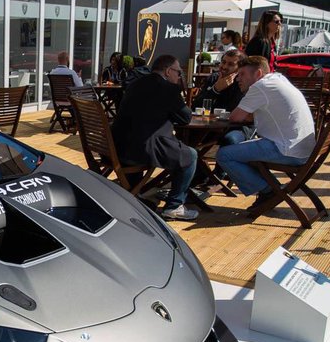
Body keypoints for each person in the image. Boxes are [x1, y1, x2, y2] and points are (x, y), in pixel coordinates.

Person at [217, 55, 317, 207]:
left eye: (242, 74)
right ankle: (272, 189)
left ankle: (268, 190)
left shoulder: (260, 86)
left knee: (224, 155)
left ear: (258, 73)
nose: (238, 78)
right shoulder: (278, 80)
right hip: (303, 149)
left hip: (287, 150)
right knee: (244, 148)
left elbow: (236, 117)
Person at [111, 54, 199, 220]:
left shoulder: (135, 84)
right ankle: (174, 206)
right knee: (191, 155)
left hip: (116, 148)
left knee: (142, 138)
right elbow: (185, 118)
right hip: (142, 150)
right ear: (167, 71)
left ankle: (133, 194)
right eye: (178, 73)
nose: (179, 76)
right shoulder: (168, 89)